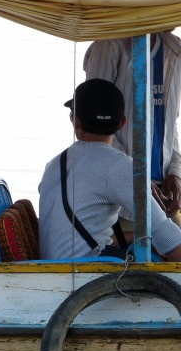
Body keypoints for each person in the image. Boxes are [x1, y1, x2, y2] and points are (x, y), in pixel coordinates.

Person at [38, 78, 181, 261]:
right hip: (82, 277)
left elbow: (79, 238)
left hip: (50, 269)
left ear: (76, 121)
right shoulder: (119, 166)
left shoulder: (54, 164)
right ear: (121, 123)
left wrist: (141, 238)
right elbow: (166, 237)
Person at [83, 31, 181, 226]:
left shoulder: (175, 49)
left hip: (162, 198)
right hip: (118, 203)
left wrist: (175, 171)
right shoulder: (109, 45)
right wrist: (134, 176)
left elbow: (170, 124)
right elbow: (95, 127)